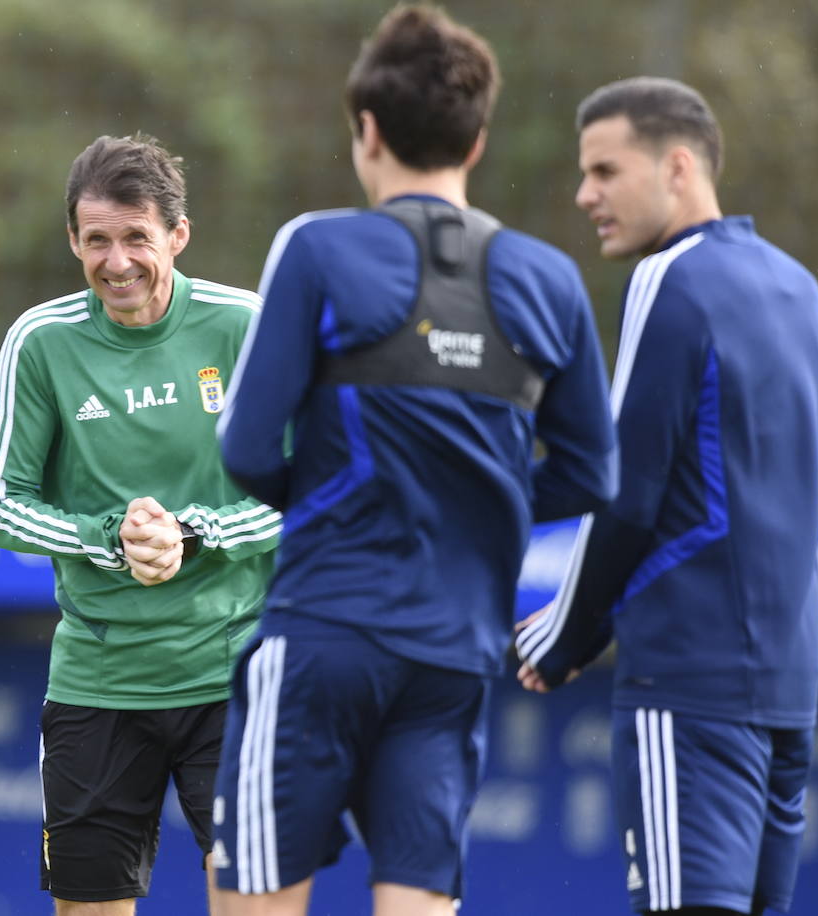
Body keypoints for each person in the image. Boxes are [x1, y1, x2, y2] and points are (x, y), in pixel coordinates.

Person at [209, 7, 618, 916]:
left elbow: (242, 447)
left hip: (323, 638)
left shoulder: (317, 246)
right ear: (475, 145)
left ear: (367, 130)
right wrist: (485, 501)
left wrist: (326, 500)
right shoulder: (549, 277)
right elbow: (594, 474)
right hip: (454, 654)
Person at [515, 77, 818, 916]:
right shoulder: (800, 288)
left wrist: (566, 634)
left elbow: (628, 489)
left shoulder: (670, 279)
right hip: (788, 688)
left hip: (689, 688)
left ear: (678, 165)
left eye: (606, 171)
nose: (585, 195)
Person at [0, 133, 281, 914]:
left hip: (236, 675)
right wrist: (111, 537)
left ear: (178, 234)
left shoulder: (244, 326)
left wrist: (196, 531)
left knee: (257, 904)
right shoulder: (39, 342)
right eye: (97, 239)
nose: (117, 262)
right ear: (73, 239)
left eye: (137, 236)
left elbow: (311, 489)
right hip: (98, 684)